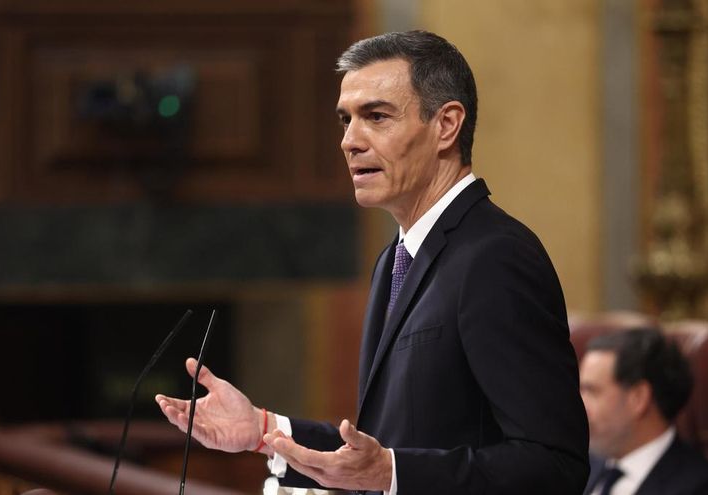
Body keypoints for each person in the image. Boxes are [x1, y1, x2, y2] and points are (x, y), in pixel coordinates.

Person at [155, 30, 589, 494]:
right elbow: (390, 447)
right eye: (345, 120)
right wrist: (263, 429)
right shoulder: (394, 260)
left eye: (376, 117)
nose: (349, 141)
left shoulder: (496, 257)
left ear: (446, 125)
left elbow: (553, 465)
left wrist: (391, 474)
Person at [580, 328, 708, 495]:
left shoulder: (703, 489)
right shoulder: (581, 464)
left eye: (592, 391)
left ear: (638, 398)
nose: (579, 403)